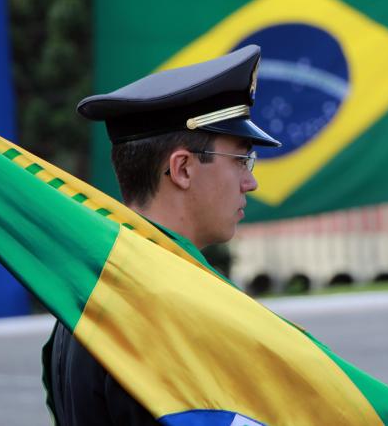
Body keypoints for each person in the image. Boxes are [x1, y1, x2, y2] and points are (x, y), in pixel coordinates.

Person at [42, 45, 280, 426]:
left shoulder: (93, 293)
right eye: (241, 159)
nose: (250, 182)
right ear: (183, 168)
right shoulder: (163, 308)